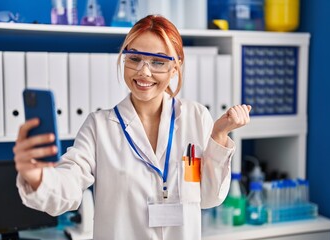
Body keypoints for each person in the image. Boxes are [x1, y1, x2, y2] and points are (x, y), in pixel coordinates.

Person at [13, 15, 251, 240]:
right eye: (135, 58)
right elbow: (69, 187)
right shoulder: (99, 127)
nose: (143, 72)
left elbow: (209, 197)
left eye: (158, 61)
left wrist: (219, 135)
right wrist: (38, 177)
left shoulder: (196, 117)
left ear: (176, 66)